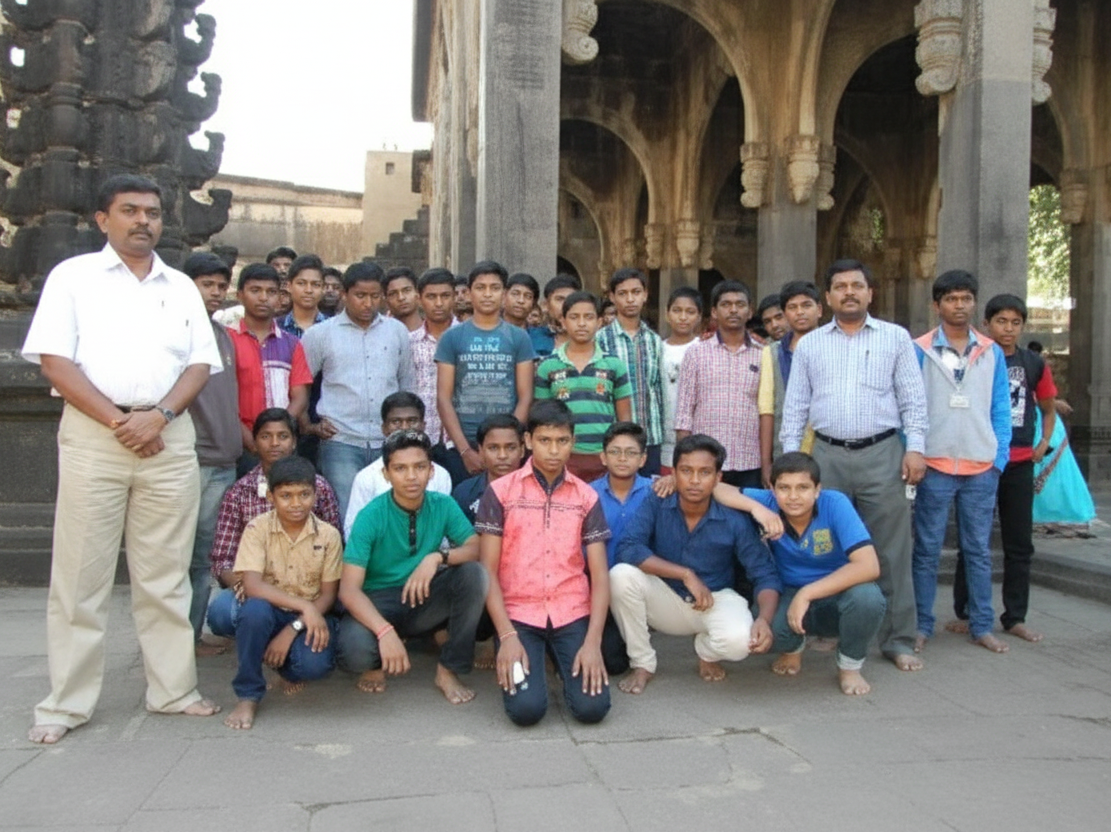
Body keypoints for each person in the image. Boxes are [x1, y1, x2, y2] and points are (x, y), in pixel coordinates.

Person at [22, 173, 224, 743]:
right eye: (130, 211)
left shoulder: (180, 285)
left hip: (167, 435)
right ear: (101, 220)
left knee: (165, 575)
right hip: (96, 436)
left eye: (153, 213)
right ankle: (66, 703)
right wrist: (121, 421)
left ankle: (173, 689)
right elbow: (55, 363)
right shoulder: (74, 278)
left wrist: (157, 417)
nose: (143, 222)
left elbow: (199, 365)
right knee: (80, 576)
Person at [780, 259, 927, 672]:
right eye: (840, 286)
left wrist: (915, 448)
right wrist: (792, 460)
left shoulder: (896, 339)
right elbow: (796, 406)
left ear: (869, 293)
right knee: (828, 548)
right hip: (826, 457)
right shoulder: (810, 344)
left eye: (856, 286)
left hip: (883, 454)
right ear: (827, 297)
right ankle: (831, 627)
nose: (849, 292)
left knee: (892, 550)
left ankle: (898, 639)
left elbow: (913, 400)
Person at [609, 434, 782, 695]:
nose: (694, 480)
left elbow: (765, 574)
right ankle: (643, 664)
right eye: (686, 471)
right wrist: (685, 574)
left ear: (718, 478)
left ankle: (707, 652)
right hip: (666, 597)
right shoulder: (658, 500)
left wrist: (764, 620)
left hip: (713, 599)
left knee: (739, 643)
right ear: (674, 473)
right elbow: (629, 547)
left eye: (704, 472)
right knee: (620, 576)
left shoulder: (734, 519)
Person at [476, 400, 612, 726]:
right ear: (528, 441)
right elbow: (487, 572)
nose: (554, 451)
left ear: (573, 442)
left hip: (571, 612)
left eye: (562, 441)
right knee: (527, 711)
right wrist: (507, 637)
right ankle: (535, 667)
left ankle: (561, 664)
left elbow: (599, 576)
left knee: (592, 709)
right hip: (518, 615)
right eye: (544, 441)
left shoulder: (585, 497)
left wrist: (592, 643)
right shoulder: (500, 492)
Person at [338, 430, 487, 704]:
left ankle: (448, 669)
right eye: (400, 468)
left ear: (431, 471)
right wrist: (384, 632)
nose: (411, 476)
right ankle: (375, 663)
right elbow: (348, 590)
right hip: (379, 600)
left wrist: (437, 558)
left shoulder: (442, 504)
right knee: (355, 652)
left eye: (419, 467)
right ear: (386, 474)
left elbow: (475, 547)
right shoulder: (370, 516)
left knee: (474, 575)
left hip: (423, 596)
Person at [942, 294, 1057, 644]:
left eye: (1015, 322)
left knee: (1019, 543)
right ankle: (966, 612)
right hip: (979, 461)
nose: (1008, 329)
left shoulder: (1033, 363)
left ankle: (1015, 616)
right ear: (988, 323)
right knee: (972, 539)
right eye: (1001, 322)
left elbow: (1049, 407)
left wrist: (1041, 445)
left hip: (1019, 463)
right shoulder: (976, 357)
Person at [723, 452, 886, 695]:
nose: (793, 496)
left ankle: (850, 666)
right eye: (784, 488)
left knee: (868, 599)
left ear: (817, 489)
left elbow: (869, 566)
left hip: (837, 592)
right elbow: (717, 489)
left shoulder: (835, 503)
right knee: (765, 630)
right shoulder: (768, 503)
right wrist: (758, 509)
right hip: (789, 590)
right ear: (772, 489)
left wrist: (807, 594)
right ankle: (793, 648)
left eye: (803, 487)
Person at [911, 270, 1011, 654]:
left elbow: (1001, 408)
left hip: (980, 465)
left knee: (978, 550)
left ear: (974, 304)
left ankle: (981, 624)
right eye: (951, 299)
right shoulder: (919, 349)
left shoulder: (990, 352)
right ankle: (921, 624)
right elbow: (911, 406)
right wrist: (914, 450)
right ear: (937, 305)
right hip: (934, 465)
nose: (959, 305)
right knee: (927, 550)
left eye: (966, 298)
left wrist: (998, 457)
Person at [222, 457, 343, 731]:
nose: (296, 503)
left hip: (307, 618)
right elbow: (252, 585)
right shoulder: (257, 528)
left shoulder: (328, 536)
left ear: (316, 494)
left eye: (304, 494)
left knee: (314, 667)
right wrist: (306, 607)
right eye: (286, 496)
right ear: (270, 496)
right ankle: (248, 694)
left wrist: (294, 627)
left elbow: (327, 595)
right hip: (272, 610)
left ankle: (281, 664)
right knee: (253, 611)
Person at [207, 409, 341, 636]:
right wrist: (251, 588)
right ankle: (257, 633)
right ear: (255, 442)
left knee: (309, 661)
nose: (274, 443)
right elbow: (222, 560)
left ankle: (295, 633)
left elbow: (334, 543)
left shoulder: (319, 487)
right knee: (222, 613)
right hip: (254, 589)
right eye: (266, 436)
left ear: (294, 442)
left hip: (306, 589)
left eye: (283, 436)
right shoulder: (239, 492)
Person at [301, 261, 415, 519]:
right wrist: (308, 425)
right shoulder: (320, 335)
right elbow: (300, 386)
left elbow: (407, 384)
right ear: (344, 294)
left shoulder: (397, 332)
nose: (368, 303)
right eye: (360, 296)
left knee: (392, 512)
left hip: (389, 439)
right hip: (341, 441)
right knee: (348, 513)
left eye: (375, 296)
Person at [182, 251, 241, 656]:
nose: (217, 293)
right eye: (208, 285)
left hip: (225, 460)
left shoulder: (222, 336)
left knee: (204, 556)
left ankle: (192, 635)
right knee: (179, 556)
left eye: (221, 286)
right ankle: (178, 641)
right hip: (193, 459)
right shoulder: (177, 331)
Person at [435, 260, 536, 480]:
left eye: (495, 288)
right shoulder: (452, 337)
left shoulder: (519, 337)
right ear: (469, 293)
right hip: (463, 444)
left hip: (505, 449)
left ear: (505, 293)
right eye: (481, 288)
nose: (488, 294)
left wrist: (510, 444)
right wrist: (465, 451)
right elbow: (443, 397)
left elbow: (526, 395)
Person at [535, 291, 632, 482]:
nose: (581, 323)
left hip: (604, 458)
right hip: (564, 459)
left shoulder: (614, 365)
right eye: (574, 317)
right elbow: (542, 419)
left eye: (588, 317)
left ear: (600, 322)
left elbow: (624, 420)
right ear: (563, 321)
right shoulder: (548, 366)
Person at [674, 280, 762, 489]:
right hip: (704, 463)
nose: (733, 310)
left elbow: (767, 411)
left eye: (740, 305)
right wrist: (683, 462)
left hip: (749, 461)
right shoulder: (696, 353)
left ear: (750, 311)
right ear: (714, 311)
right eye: (726, 304)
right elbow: (684, 413)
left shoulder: (763, 354)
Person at [226, 263, 312, 467]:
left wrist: (278, 434)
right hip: (239, 441)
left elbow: (300, 397)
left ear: (281, 297)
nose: (264, 298)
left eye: (271, 292)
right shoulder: (227, 340)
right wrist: (248, 437)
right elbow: (223, 399)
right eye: (255, 290)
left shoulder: (292, 343)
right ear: (240, 295)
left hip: (282, 446)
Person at [590, 421, 655, 675]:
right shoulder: (588, 494)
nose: (622, 459)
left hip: (640, 583)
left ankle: (646, 625)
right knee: (613, 662)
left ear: (643, 459)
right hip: (596, 585)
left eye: (631, 453)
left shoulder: (656, 492)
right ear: (603, 457)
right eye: (615, 452)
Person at [344, 392, 453, 537]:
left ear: (423, 425)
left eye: (412, 421)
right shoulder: (366, 477)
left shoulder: (440, 475)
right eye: (396, 422)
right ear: (384, 428)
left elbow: (444, 528)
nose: (404, 428)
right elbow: (352, 531)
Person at [597, 268, 665, 475]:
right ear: (612, 297)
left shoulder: (655, 341)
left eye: (636, 292)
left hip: (650, 437)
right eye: (622, 293)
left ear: (645, 295)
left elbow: (658, 389)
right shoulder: (600, 340)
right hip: (613, 439)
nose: (630, 299)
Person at [758, 281, 822, 486]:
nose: (800, 313)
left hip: (829, 452)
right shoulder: (772, 352)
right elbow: (767, 409)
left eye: (806, 306)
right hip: (786, 451)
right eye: (793, 308)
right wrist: (767, 464)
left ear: (819, 309)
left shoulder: (836, 347)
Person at [409, 268, 463, 483]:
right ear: (419, 299)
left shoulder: (469, 339)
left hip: (459, 440)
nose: (438, 303)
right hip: (422, 437)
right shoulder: (408, 342)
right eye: (431, 297)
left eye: (445, 296)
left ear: (454, 297)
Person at [453, 414, 526, 524]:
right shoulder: (464, 493)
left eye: (510, 448)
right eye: (493, 448)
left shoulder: (538, 493)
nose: (502, 455)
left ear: (522, 450)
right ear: (481, 451)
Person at [660, 287, 701, 475]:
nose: (683, 317)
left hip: (696, 437)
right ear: (667, 314)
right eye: (677, 311)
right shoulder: (658, 349)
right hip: (662, 439)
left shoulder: (703, 349)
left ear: (699, 317)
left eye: (690, 312)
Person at [528, 273, 580, 358]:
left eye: (571, 299)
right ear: (546, 305)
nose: (565, 305)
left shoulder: (592, 339)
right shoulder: (530, 337)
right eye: (559, 299)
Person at [279, 254, 326, 337]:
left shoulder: (333, 328)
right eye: (301, 283)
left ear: (323, 288)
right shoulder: (275, 328)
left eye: (315, 285)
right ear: (289, 286)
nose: (308, 290)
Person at [384, 266, 424, 332]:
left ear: (417, 293)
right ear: (386, 301)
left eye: (407, 290)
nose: (401, 298)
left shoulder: (435, 331)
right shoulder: (382, 335)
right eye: (393, 294)